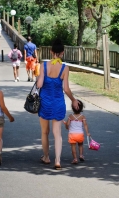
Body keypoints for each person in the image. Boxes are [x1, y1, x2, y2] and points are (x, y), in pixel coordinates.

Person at [36, 38, 79, 170]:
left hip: (44, 103)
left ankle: (46, 157)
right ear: (62, 53)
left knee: (44, 132)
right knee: (57, 133)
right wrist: (73, 100)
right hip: (58, 103)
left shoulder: (43, 65)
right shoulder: (65, 68)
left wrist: (40, 77)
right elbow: (66, 89)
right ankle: (58, 160)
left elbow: (39, 85)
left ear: (51, 51)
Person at [63, 100, 90, 164]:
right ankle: (81, 155)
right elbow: (85, 125)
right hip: (80, 134)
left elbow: (67, 124)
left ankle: (75, 159)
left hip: (72, 134)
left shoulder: (70, 116)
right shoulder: (82, 116)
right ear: (81, 108)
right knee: (80, 145)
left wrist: (66, 126)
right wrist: (87, 133)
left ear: (72, 108)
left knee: (73, 147)